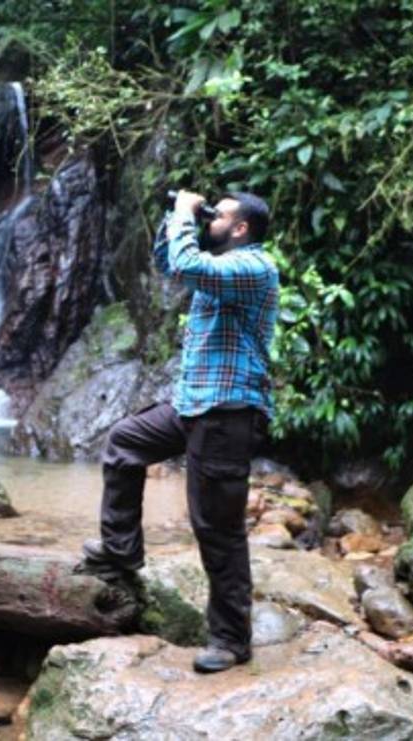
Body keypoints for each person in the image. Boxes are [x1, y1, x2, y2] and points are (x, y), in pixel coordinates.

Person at [76, 189, 279, 674]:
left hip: (228, 414)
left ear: (241, 228)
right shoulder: (220, 264)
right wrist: (179, 215)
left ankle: (231, 640)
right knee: (125, 442)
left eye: (219, 216)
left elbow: (190, 267)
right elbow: (170, 260)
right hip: (194, 406)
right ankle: (121, 551)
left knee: (217, 527)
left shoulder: (254, 268)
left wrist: (188, 214)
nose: (210, 221)